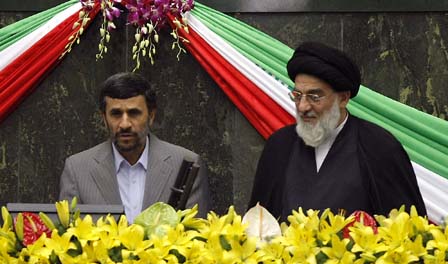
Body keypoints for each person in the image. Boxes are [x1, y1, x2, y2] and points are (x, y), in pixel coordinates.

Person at [248, 42, 427, 221]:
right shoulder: (280, 145)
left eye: (314, 96)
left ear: (343, 98)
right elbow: (257, 226)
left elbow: (407, 233)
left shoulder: (380, 147)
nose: (302, 107)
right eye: (297, 95)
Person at [59, 72, 211, 222]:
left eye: (134, 113)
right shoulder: (78, 170)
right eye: (116, 114)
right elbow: (69, 238)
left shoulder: (185, 165)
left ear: (151, 116)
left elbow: (196, 238)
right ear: (104, 118)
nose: (125, 124)